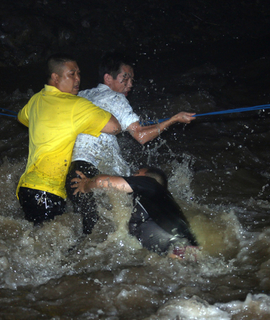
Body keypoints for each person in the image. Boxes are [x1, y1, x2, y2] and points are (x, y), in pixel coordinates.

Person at [65, 52, 196, 234]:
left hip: (72, 170)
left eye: (132, 80)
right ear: (108, 79)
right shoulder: (117, 98)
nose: (130, 84)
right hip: (89, 173)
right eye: (125, 79)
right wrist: (173, 120)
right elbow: (141, 136)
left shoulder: (82, 95)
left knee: (91, 231)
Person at [16, 54, 121, 225]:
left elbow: (22, 118)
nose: (78, 79)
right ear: (55, 77)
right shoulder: (76, 105)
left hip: (26, 188)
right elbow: (114, 127)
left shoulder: (36, 99)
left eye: (79, 73)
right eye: (71, 74)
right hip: (47, 192)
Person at [70, 167, 199, 257]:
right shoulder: (155, 203)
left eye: (135, 173)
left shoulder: (151, 184)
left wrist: (85, 185)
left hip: (179, 251)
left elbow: (102, 182)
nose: (131, 177)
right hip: (181, 252)